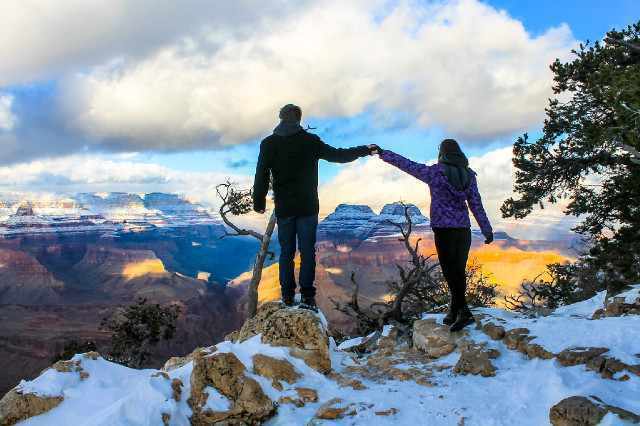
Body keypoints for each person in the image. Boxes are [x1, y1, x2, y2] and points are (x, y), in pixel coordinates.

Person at [253, 104, 378, 311]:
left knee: (286, 252)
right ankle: (308, 298)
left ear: (280, 118)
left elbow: (261, 174)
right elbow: (339, 155)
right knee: (307, 252)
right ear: (299, 119)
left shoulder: (269, 143)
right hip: (308, 206)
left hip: (284, 207)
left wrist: (259, 202)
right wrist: (365, 150)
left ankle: (287, 296)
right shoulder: (310, 141)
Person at [372, 139, 493, 332]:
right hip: (463, 230)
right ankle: (454, 311)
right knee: (458, 272)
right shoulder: (469, 176)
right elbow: (476, 204)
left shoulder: (436, 173)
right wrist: (487, 229)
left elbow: (408, 165)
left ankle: (464, 312)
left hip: (444, 230)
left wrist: (383, 153)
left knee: (450, 272)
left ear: (442, 153)